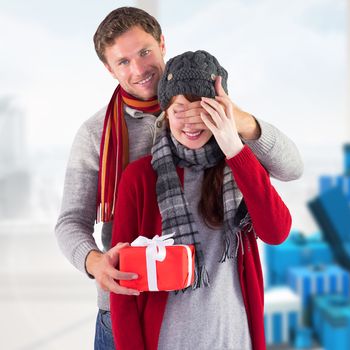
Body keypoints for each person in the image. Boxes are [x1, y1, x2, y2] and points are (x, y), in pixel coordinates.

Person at [54, 7, 302, 349]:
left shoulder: (216, 118)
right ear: (109, 69)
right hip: (132, 305)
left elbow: (291, 172)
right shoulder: (101, 136)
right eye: (123, 61)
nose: (139, 69)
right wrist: (97, 263)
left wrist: (238, 126)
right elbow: (70, 222)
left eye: (144, 52)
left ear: (161, 44)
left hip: (224, 317)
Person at [110, 50, 288, 350]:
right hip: (167, 340)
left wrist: (234, 147)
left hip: (233, 336)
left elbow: (276, 232)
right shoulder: (139, 178)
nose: (191, 123)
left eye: (202, 111)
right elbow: (123, 282)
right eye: (180, 110)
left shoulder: (241, 167)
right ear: (165, 112)